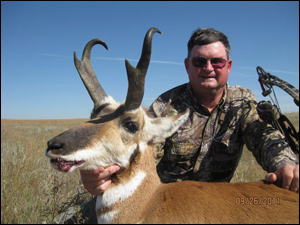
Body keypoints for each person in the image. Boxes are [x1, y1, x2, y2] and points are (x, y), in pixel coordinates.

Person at [68, 28, 299, 223]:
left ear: (228, 65)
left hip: (215, 204)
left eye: (216, 61)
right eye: (199, 61)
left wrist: (286, 164)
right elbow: (139, 151)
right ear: (188, 66)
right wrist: (101, 175)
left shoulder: (242, 101)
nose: (208, 67)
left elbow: (265, 136)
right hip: (162, 201)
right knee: (79, 218)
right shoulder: (164, 106)